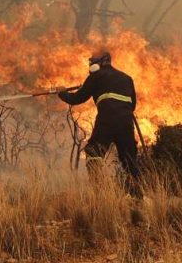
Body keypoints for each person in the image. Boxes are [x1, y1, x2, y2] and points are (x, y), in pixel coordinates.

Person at [58, 50, 142, 196]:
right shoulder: (127, 78)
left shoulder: (96, 76)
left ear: (103, 62)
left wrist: (62, 93)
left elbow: (77, 98)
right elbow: (133, 105)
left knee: (94, 152)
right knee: (129, 159)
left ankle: (100, 193)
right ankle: (137, 196)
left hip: (107, 120)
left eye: (93, 61)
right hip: (126, 122)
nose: (91, 63)